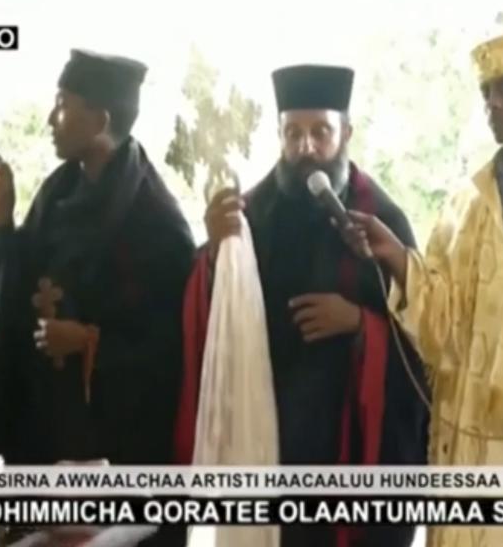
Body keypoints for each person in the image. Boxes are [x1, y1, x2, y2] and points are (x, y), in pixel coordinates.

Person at [339, 30, 503, 547]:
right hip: (463, 438)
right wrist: (395, 254)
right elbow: (442, 329)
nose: (493, 102)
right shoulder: (464, 201)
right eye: (486, 91)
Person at [175, 64, 431, 547]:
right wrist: (213, 251)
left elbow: (426, 338)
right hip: (273, 436)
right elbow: (206, 312)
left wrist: (360, 323)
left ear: (346, 133)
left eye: (320, 132)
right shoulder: (250, 214)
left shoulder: (382, 217)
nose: (306, 147)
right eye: (293, 133)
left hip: (352, 445)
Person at [0, 50, 195, 546]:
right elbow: (17, 290)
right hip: (40, 430)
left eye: (62, 105)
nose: (49, 119)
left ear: (101, 119)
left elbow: (172, 348)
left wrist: (90, 341)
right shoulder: (59, 190)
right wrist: (4, 213)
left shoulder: (157, 223)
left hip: (110, 450)